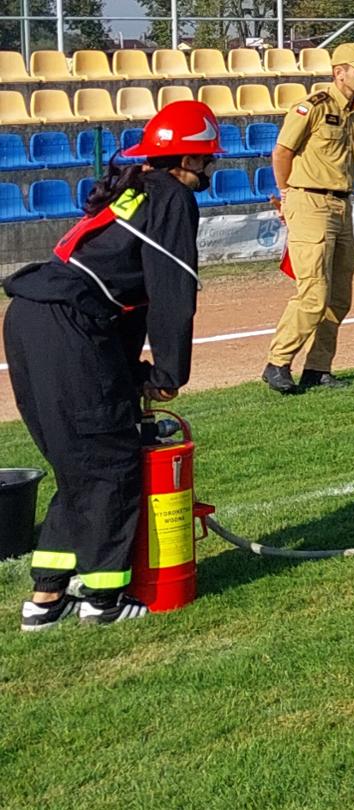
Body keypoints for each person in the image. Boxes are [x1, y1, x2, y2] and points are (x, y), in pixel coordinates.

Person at [5, 100, 218, 630]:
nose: (211, 170)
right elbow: (171, 290)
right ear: (188, 159)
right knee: (110, 462)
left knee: (79, 463)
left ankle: (45, 600)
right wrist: (168, 374)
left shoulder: (136, 187)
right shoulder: (172, 195)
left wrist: (132, 376)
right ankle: (104, 601)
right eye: (208, 159)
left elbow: (128, 299)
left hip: (33, 318)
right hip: (69, 326)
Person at [261, 43, 354, 394]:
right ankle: (278, 362)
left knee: (339, 296)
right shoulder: (312, 107)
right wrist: (286, 194)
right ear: (339, 72)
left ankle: (318, 368)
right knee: (313, 292)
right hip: (309, 200)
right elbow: (282, 152)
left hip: (342, 203)